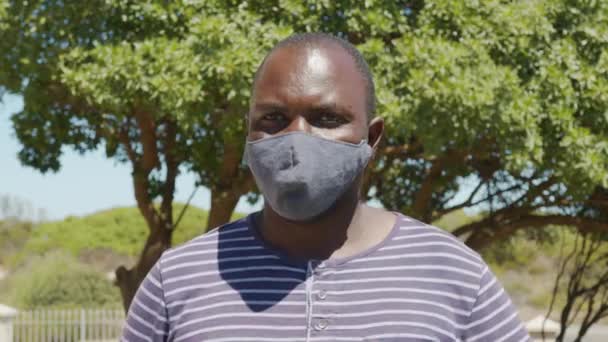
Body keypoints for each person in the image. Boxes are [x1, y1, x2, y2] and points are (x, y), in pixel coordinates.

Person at [121, 32, 531, 342]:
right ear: (248, 133)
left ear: (372, 140)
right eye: (273, 119)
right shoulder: (176, 280)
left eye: (327, 118)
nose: (297, 138)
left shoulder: (457, 276)